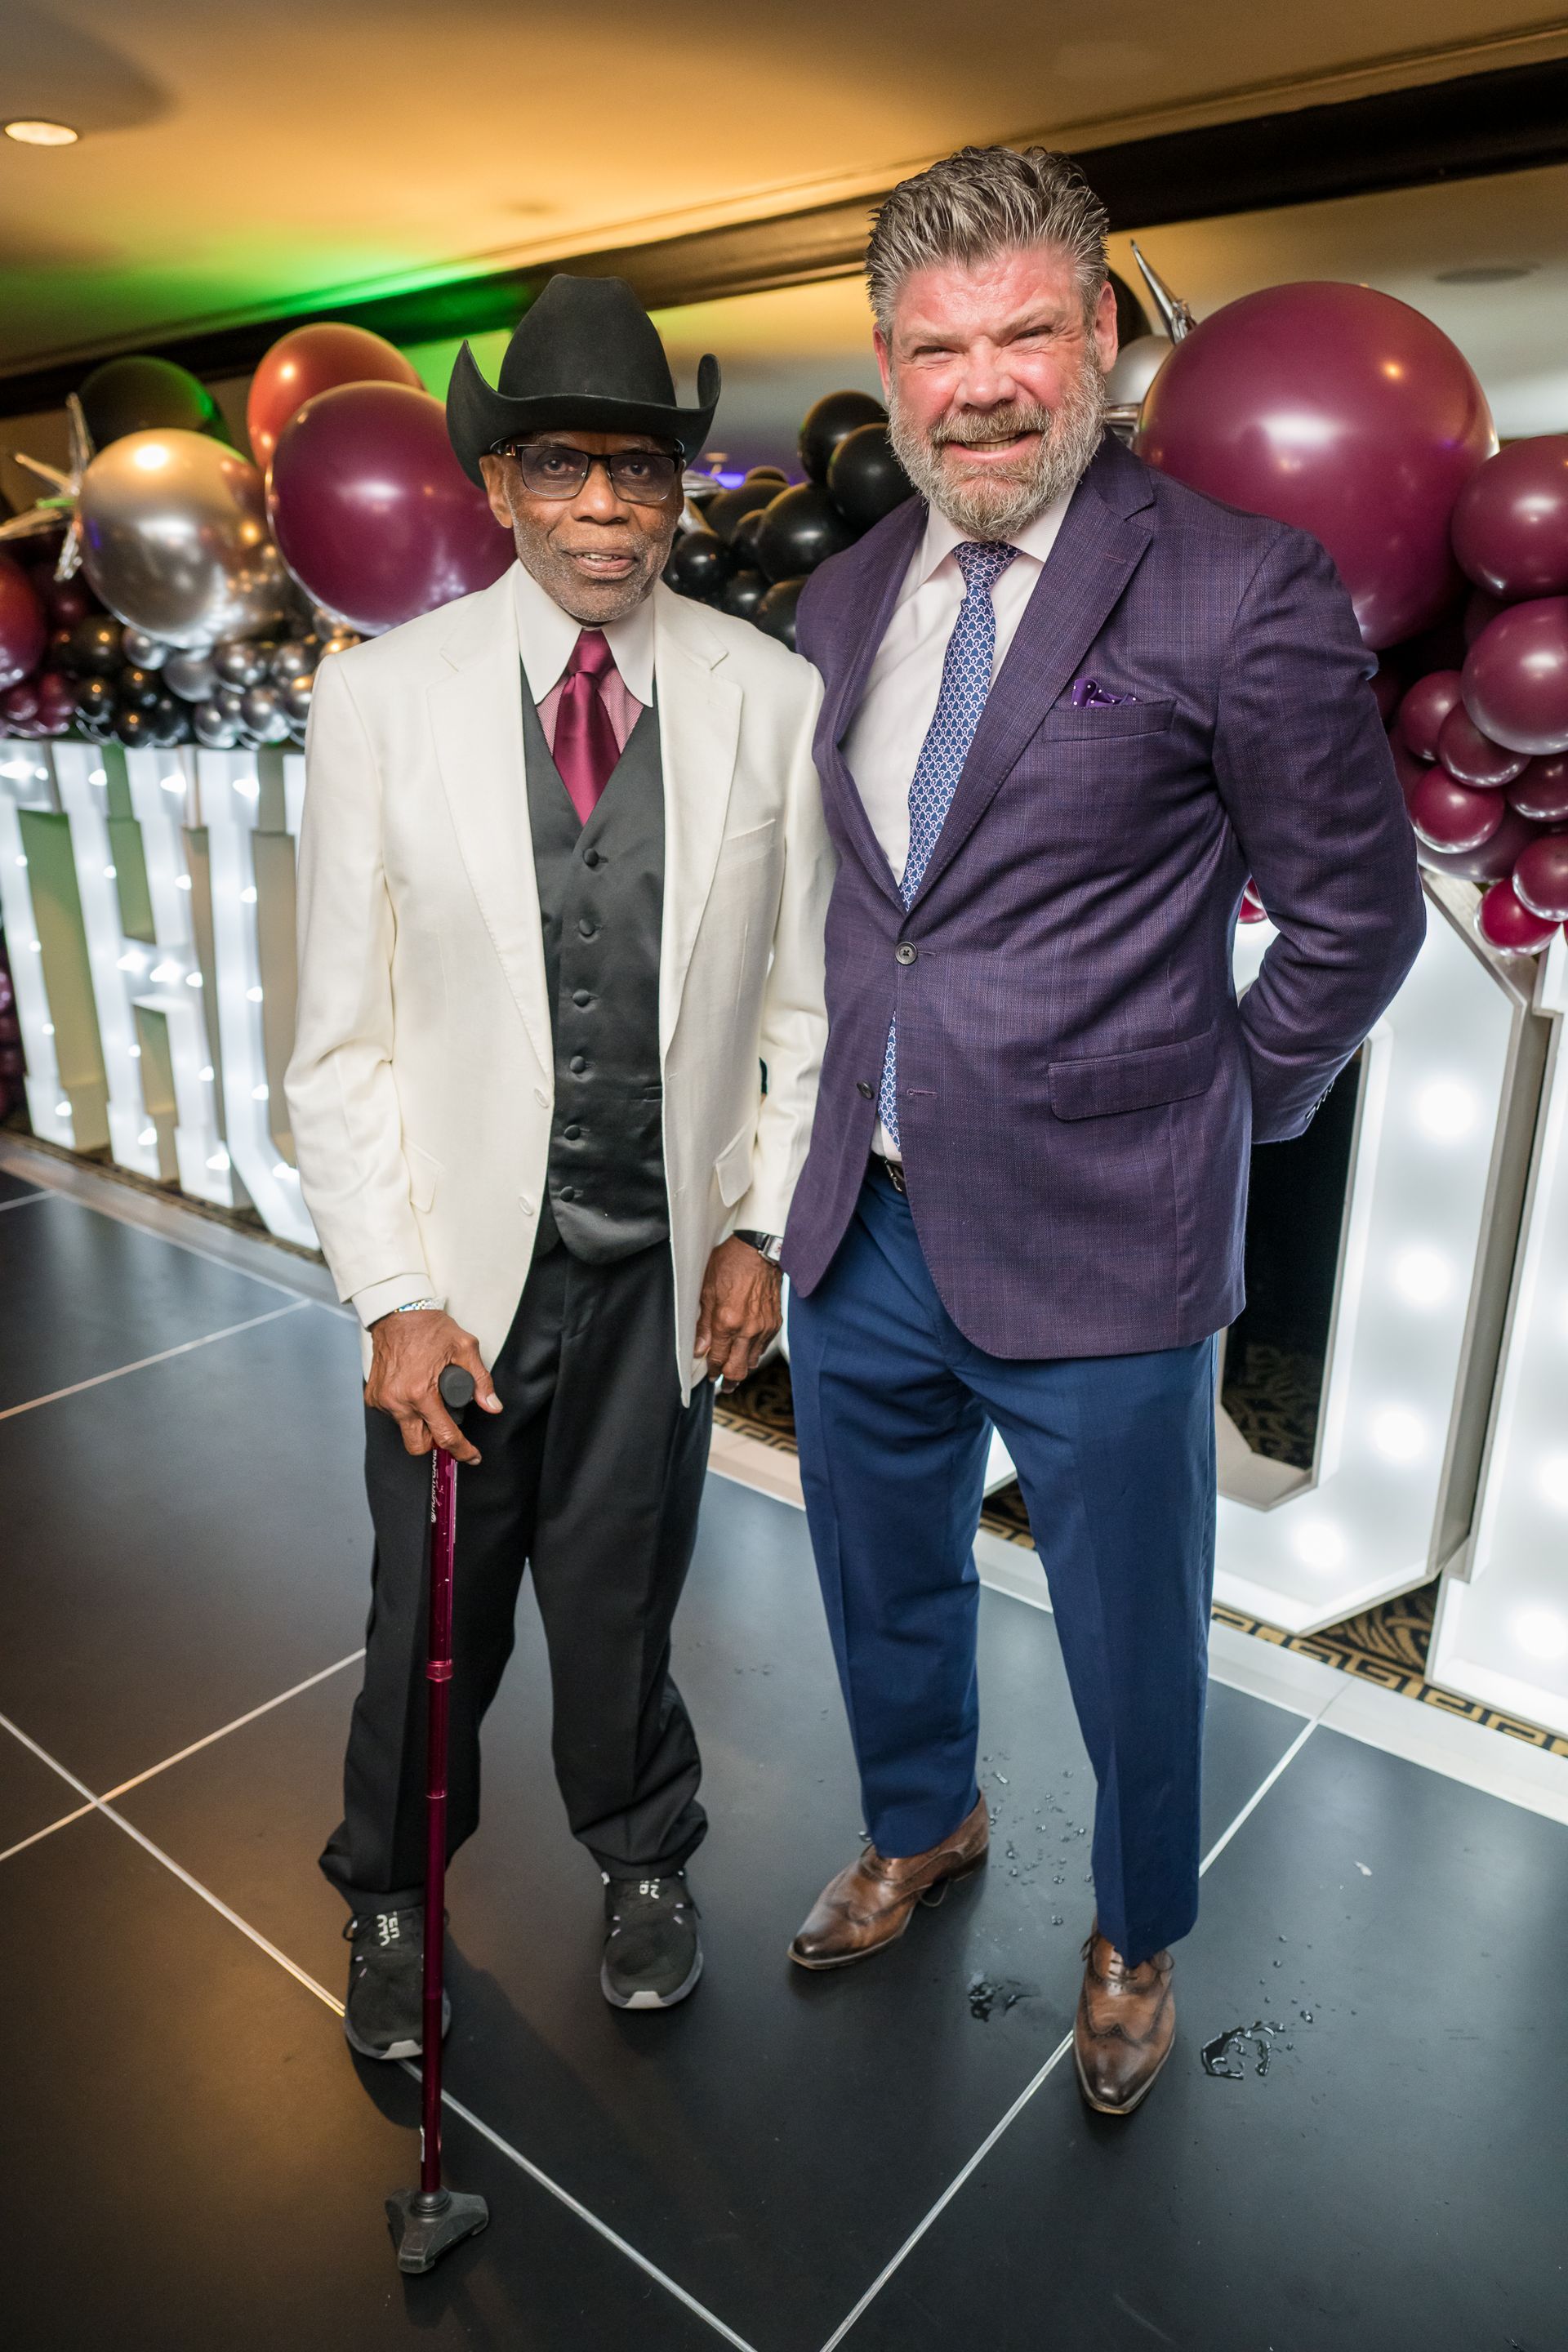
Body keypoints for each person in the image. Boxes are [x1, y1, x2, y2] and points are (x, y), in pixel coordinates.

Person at [781, 147, 1424, 2115]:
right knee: (877, 1580)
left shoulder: (1238, 583)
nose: (980, 385)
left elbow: (1357, 918)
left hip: (1113, 1249)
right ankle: (923, 1822)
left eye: (1026, 335)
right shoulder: (840, 595)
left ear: (1111, 337)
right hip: (863, 1230)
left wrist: (1222, 1121)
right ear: (887, 365)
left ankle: (1140, 1928)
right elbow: (858, 910)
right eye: (937, 345)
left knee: (1134, 1642)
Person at [286, 274, 831, 2054]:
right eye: (565, 468)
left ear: (680, 493)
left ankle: (643, 1851)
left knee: (624, 1607)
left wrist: (755, 1221)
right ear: (502, 484)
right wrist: (391, 1294)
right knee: (425, 1623)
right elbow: (339, 1042)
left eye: (642, 472)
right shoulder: (382, 706)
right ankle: (389, 1889)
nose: (607, 508)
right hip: (459, 1287)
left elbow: (809, 1008)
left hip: (656, 1275)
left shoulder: (769, 695)